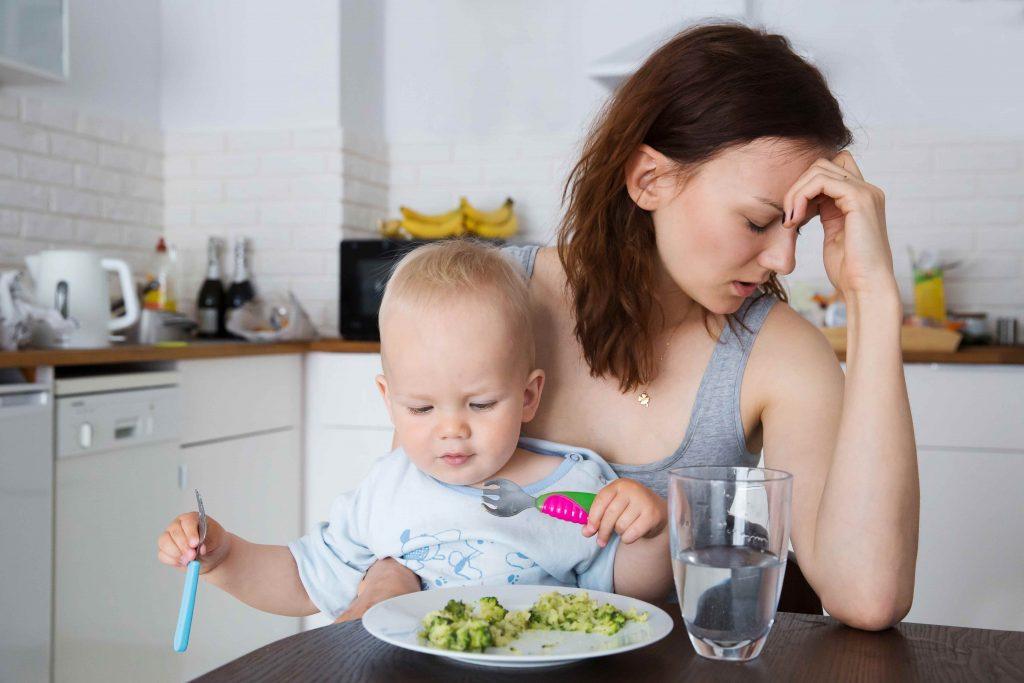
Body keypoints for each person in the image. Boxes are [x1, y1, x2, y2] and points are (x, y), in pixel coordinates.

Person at [346, 23, 919, 631]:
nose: (785, 260)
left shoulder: (779, 354)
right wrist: (382, 581)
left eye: (797, 228)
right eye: (758, 223)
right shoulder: (490, 303)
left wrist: (873, 297)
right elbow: (406, 513)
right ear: (649, 180)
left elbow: (868, 596)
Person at [156, 241, 673, 620]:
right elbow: (302, 581)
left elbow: (629, 596)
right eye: (422, 409)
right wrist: (223, 556)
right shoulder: (387, 489)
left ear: (528, 397)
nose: (452, 430)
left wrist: (647, 534)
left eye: (481, 403)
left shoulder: (577, 488)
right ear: (389, 402)